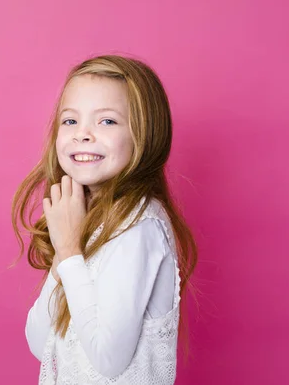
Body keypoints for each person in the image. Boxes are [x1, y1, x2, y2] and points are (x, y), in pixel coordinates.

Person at [12, 55, 198, 384]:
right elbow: (42, 343)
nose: (83, 134)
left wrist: (69, 250)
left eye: (107, 121)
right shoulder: (85, 220)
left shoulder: (139, 226)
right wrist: (63, 257)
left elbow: (108, 360)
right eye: (70, 121)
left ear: (144, 136)